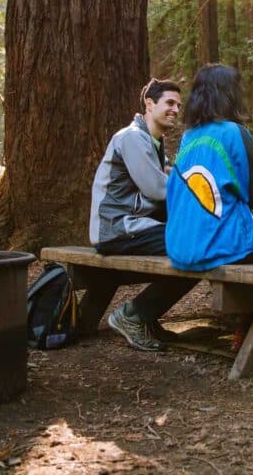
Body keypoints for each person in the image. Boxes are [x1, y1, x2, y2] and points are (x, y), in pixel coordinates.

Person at [91, 77, 192, 352]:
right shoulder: (132, 138)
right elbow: (158, 189)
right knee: (193, 248)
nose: (175, 109)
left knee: (194, 246)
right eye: (169, 103)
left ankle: (145, 317)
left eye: (178, 105)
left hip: (130, 226)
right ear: (149, 103)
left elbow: (163, 180)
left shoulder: (152, 141)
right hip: (117, 228)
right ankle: (133, 316)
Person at [165, 64, 253, 271]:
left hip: (180, 247)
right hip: (224, 247)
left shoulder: (188, 137)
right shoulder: (234, 132)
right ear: (229, 95)